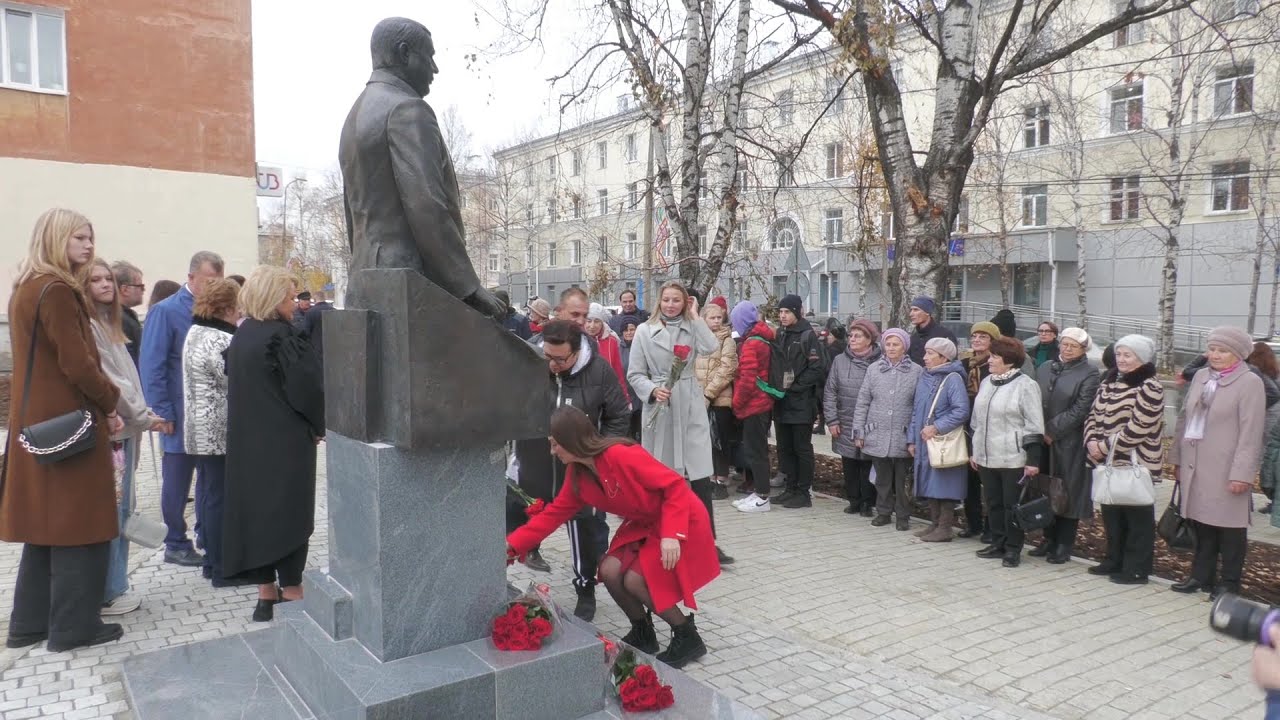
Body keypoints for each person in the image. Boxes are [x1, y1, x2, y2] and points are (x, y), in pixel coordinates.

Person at [507, 406, 719, 669]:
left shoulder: (619, 455)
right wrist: (511, 545)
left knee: (634, 580)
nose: (552, 452)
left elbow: (674, 486)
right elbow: (553, 515)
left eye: (555, 444)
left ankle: (687, 635)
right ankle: (643, 631)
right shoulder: (578, 475)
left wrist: (671, 535)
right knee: (608, 570)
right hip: (644, 524)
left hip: (677, 518)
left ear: (572, 441)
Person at [2, 208, 126, 652]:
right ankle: (74, 629)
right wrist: (111, 402)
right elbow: (79, 364)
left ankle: (29, 624)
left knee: (45, 529)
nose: (89, 247)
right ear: (56, 239)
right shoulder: (57, 290)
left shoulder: (27, 287)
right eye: (79, 239)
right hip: (69, 426)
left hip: (38, 424)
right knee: (80, 526)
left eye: (91, 238)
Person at [222, 266, 325, 621]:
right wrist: (320, 422)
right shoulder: (281, 337)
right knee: (290, 513)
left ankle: (266, 594)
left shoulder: (244, 335)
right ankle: (293, 591)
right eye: (287, 296)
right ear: (271, 296)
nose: (294, 304)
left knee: (257, 514)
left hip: (248, 440)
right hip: (285, 442)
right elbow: (307, 390)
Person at [512, 319, 631, 618]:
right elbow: (510, 406)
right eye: (547, 357)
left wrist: (598, 456)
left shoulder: (599, 371)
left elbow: (618, 417)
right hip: (535, 465)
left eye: (560, 359)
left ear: (577, 353)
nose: (552, 364)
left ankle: (585, 588)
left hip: (581, 469)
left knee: (585, 529)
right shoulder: (530, 364)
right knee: (519, 524)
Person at [628, 281, 732, 563]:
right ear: (658, 302)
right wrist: (651, 390)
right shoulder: (644, 331)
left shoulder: (692, 327)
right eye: (666, 300)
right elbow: (635, 373)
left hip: (690, 404)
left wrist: (696, 316)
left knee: (698, 474)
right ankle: (656, 535)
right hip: (661, 406)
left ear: (685, 302)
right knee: (661, 476)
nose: (671, 305)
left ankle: (707, 541)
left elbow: (711, 347)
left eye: (677, 300)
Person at [139, 251, 225, 568]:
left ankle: (207, 534)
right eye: (208, 282)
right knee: (177, 483)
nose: (214, 289)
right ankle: (175, 541)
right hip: (178, 415)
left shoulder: (215, 311)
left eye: (218, 282)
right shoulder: (166, 312)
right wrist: (162, 412)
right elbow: (152, 366)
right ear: (190, 278)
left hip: (209, 416)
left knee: (208, 479)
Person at [85, 258, 157, 617]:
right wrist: (141, 414)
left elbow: (128, 375)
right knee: (114, 511)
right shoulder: (90, 325)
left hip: (127, 427)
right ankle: (110, 590)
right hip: (115, 430)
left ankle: (116, 583)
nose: (104, 285)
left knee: (123, 508)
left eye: (107, 279)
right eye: (95, 279)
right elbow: (112, 380)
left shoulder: (111, 322)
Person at [1170, 327, 1265, 599]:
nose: (1215, 355)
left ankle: (1229, 583)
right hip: (1195, 464)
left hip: (1227, 467)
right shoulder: (1201, 376)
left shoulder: (1249, 382)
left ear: (1238, 354)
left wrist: (1242, 474)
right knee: (1201, 522)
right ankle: (1201, 576)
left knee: (1230, 528)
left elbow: (1251, 432)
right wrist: (1176, 458)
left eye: (1222, 350)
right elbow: (1184, 420)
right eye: (1212, 349)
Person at [1083, 334, 1164, 585]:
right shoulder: (1108, 382)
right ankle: (1114, 559)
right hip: (1107, 461)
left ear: (1141, 358)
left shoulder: (1150, 386)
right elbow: (1093, 415)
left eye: (1128, 355)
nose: (1122, 359)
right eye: (1119, 354)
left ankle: (1137, 568)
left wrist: (1104, 446)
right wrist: (1091, 441)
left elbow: (1140, 425)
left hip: (1135, 461)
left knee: (1137, 516)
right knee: (1112, 512)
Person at [181, 279, 241, 587]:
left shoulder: (195, 331)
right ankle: (221, 567)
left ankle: (210, 561)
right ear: (229, 308)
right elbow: (235, 381)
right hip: (217, 429)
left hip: (197, 428)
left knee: (208, 493)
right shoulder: (220, 340)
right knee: (217, 497)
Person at [970, 336, 1044, 568]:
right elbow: (976, 422)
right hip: (985, 455)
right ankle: (997, 542)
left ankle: (1013, 548)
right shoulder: (987, 382)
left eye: (994, 357)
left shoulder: (1026, 386)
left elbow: (1034, 425)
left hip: (1013, 457)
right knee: (993, 502)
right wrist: (975, 451)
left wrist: (1033, 460)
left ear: (1009, 361)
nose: (989, 360)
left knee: (1012, 504)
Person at [1030, 328, 1100, 563]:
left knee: (1068, 492)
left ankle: (1064, 544)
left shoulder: (1089, 372)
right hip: (1041, 439)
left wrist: (1052, 430)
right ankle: (1047, 538)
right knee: (1045, 488)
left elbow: (1081, 408)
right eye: (1065, 344)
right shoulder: (1046, 367)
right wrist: (1037, 428)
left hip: (1070, 443)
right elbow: (1032, 397)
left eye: (1074, 346)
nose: (1067, 349)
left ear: (1083, 349)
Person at [853, 327, 922, 530]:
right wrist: (859, 431)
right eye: (888, 344)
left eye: (896, 344)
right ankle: (883, 511)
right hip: (877, 431)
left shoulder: (916, 371)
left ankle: (903, 515)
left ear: (905, 347)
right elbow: (863, 401)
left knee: (902, 480)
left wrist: (914, 435)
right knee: (882, 478)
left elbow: (919, 405)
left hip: (903, 433)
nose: (891, 348)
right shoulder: (874, 369)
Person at [908, 337, 970, 542]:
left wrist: (937, 427)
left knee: (944, 483)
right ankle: (934, 524)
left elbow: (961, 410)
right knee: (929, 482)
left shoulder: (953, 378)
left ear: (944, 357)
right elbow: (916, 410)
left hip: (942, 441)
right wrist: (912, 439)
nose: (925, 357)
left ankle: (945, 527)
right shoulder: (926, 376)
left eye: (930, 353)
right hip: (925, 440)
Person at [771, 294, 827, 509]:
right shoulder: (781, 334)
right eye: (781, 312)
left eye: (787, 312)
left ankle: (803, 492)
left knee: (801, 448)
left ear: (797, 312)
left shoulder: (807, 335)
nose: (783, 316)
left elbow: (816, 367)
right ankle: (790, 488)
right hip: (782, 401)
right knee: (784, 447)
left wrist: (795, 387)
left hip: (801, 402)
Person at [824, 319, 882, 516]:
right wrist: (832, 420)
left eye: (858, 336)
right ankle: (853, 500)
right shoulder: (840, 360)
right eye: (851, 335)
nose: (852, 339)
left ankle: (868, 503)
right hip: (845, 419)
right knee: (849, 463)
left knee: (867, 462)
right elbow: (830, 391)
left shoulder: (880, 362)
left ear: (870, 340)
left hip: (870, 421)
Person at [730, 301, 776, 513]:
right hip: (762, 403)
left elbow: (747, 379)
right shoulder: (762, 339)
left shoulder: (751, 344)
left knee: (756, 452)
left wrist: (736, 403)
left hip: (754, 405)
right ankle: (759, 491)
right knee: (757, 450)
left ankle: (763, 496)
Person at [959, 321, 1001, 541]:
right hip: (965, 426)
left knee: (987, 479)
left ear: (992, 341)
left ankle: (990, 527)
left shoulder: (996, 364)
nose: (976, 340)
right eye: (974, 336)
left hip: (988, 427)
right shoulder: (964, 362)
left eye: (983, 337)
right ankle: (972, 523)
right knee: (969, 480)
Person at [695, 301, 738, 500]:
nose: (716, 321)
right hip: (700, 398)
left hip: (719, 398)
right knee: (705, 442)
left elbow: (727, 369)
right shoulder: (699, 339)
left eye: (719, 317)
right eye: (712, 317)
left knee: (719, 441)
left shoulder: (726, 340)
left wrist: (709, 393)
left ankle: (721, 480)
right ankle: (709, 479)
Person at [587, 302, 630, 403]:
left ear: (603, 323)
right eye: (589, 321)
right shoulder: (579, 340)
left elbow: (618, 373)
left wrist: (625, 397)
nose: (592, 326)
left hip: (606, 396)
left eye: (597, 321)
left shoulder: (612, 341)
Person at [111, 260, 145, 367]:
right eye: (141, 286)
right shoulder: (119, 319)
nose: (143, 290)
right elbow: (130, 359)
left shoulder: (125, 315)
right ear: (125, 289)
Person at [907, 296, 957, 366]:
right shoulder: (913, 337)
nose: (911, 314)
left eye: (916, 310)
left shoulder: (944, 335)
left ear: (927, 312)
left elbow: (951, 363)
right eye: (911, 310)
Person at [619, 319, 644, 440]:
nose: (629, 332)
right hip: (625, 396)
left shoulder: (643, 345)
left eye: (632, 329)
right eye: (625, 330)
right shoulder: (618, 349)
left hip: (641, 395)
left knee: (640, 429)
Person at [300, 289, 336, 360]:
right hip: (332, 347)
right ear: (324, 298)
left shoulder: (310, 312)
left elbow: (306, 332)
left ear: (315, 299)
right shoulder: (334, 311)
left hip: (316, 348)